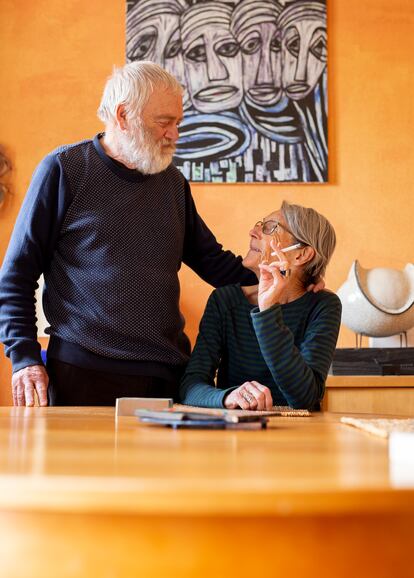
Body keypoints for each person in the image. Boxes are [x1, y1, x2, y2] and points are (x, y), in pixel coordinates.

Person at [0, 61, 257, 407]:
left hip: (165, 374)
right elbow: (17, 274)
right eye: (164, 123)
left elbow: (213, 262)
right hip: (82, 372)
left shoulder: (173, 183)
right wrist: (24, 358)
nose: (174, 135)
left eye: (178, 124)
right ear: (123, 116)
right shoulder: (65, 170)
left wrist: (288, 279)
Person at [180, 200, 341, 410]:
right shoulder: (224, 301)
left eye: (269, 227)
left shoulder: (323, 306)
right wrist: (227, 397)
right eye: (260, 224)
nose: (253, 232)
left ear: (301, 254)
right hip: (234, 435)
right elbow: (190, 387)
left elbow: (305, 398)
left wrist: (268, 311)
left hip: (299, 435)